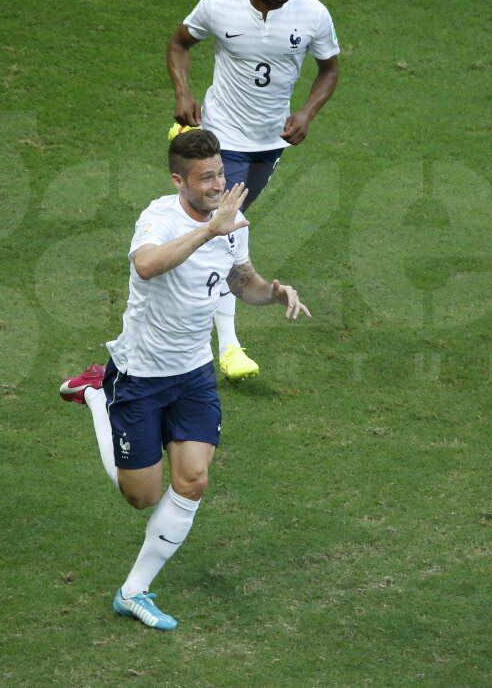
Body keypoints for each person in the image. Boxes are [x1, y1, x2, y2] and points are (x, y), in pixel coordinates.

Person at [58, 129, 310, 630]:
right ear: (180, 180)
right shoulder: (159, 218)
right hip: (142, 374)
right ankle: (95, 392)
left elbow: (242, 280)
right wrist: (209, 231)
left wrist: (276, 292)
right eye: (206, 177)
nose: (219, 184)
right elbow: (148, 266)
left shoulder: (231, 218)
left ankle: (134, 591)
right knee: (142, 497)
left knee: (192, 479)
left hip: (193, 373)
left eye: (220, 172)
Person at [167, 0, 339, 381]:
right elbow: (180, 42)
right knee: (229, 229)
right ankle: (228, 348)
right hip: (222, 135)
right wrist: (183, 93)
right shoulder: (219, 6)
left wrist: (307, 112)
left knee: (220, 229)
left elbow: (329, 68)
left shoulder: (312, 13)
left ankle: (181, 272)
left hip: (270, 142)